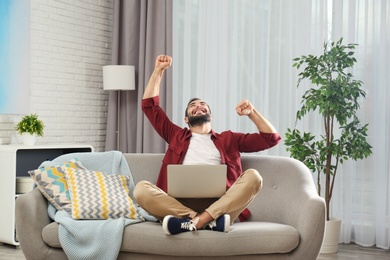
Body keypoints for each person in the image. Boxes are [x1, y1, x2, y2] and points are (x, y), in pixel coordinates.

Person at [133, 54, 281, 235]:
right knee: (141, 190)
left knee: (254, 177)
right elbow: (150, 107)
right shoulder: (175, 135)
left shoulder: (229, 139)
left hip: (221, 204)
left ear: (210, 116)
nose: (198, 106)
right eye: (193, 105)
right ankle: (206, 221)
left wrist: (252, 113)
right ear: (186, 119)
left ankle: (193, 222)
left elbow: (270, 138)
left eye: (203, 104)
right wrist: (158, 70)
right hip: (178, 204)